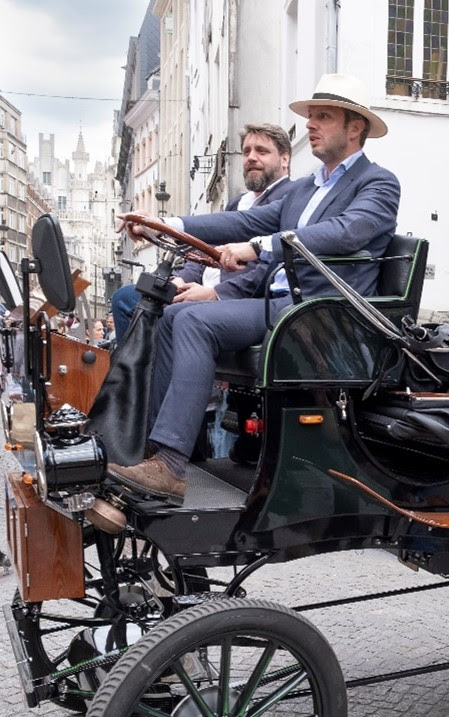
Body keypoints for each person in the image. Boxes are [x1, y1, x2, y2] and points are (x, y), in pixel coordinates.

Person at [107, 73, 400, 505]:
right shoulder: (304, 188)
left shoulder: (378, 183)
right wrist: (168, 223)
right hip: (281, 304)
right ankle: (155, 454)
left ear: (354, 127)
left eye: (322, 116)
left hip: (324, 312)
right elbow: (245, 221)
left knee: (195, 323)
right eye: (310, 116)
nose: (310, 125)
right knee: (173, 315)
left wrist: (259, 247)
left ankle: (170, 466)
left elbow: (347, 233)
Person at [112, 122, 295, 341]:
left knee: (162, 313)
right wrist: (179, 281)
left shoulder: (290, 200)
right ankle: (132, 372)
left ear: (284, 159)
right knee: (125, 298)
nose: (251, 158)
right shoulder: (238, 203)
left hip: (237, 301)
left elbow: (271, 266)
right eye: (246, 151)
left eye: (262, 151)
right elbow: (202, 252)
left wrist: (215, 293)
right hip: (198, 289)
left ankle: (143, 373)